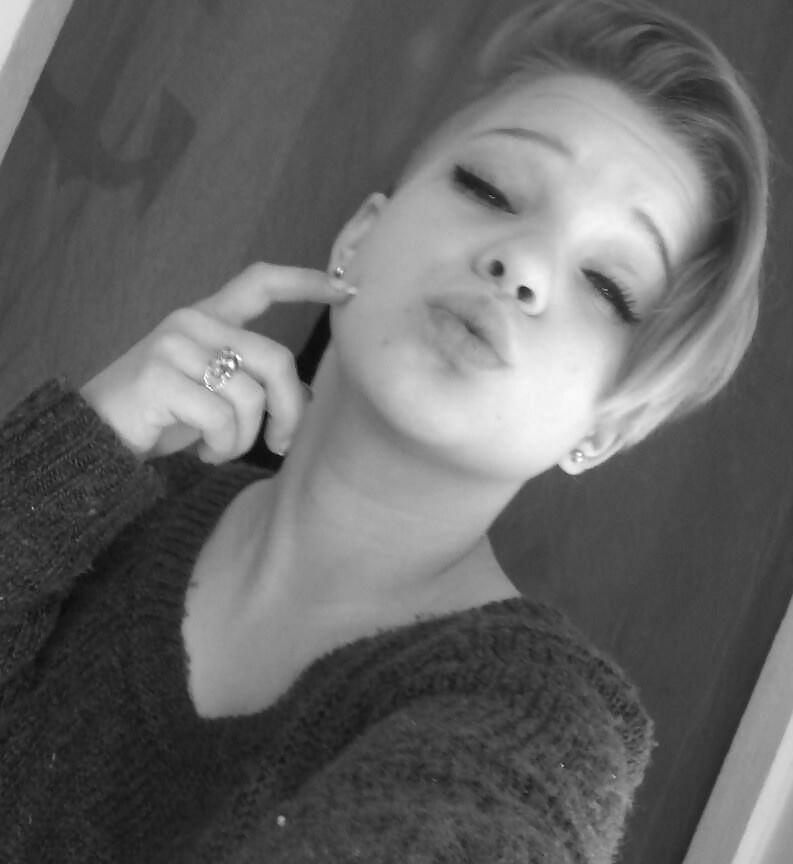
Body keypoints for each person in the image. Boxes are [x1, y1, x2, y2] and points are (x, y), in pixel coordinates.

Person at [0, 0, 768, 861]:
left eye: (607, 285)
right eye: (489, 189)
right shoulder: (112, 508)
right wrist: (75, 454)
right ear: (358, 239)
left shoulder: (542, 723)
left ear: (605, 428)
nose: (521, 262)